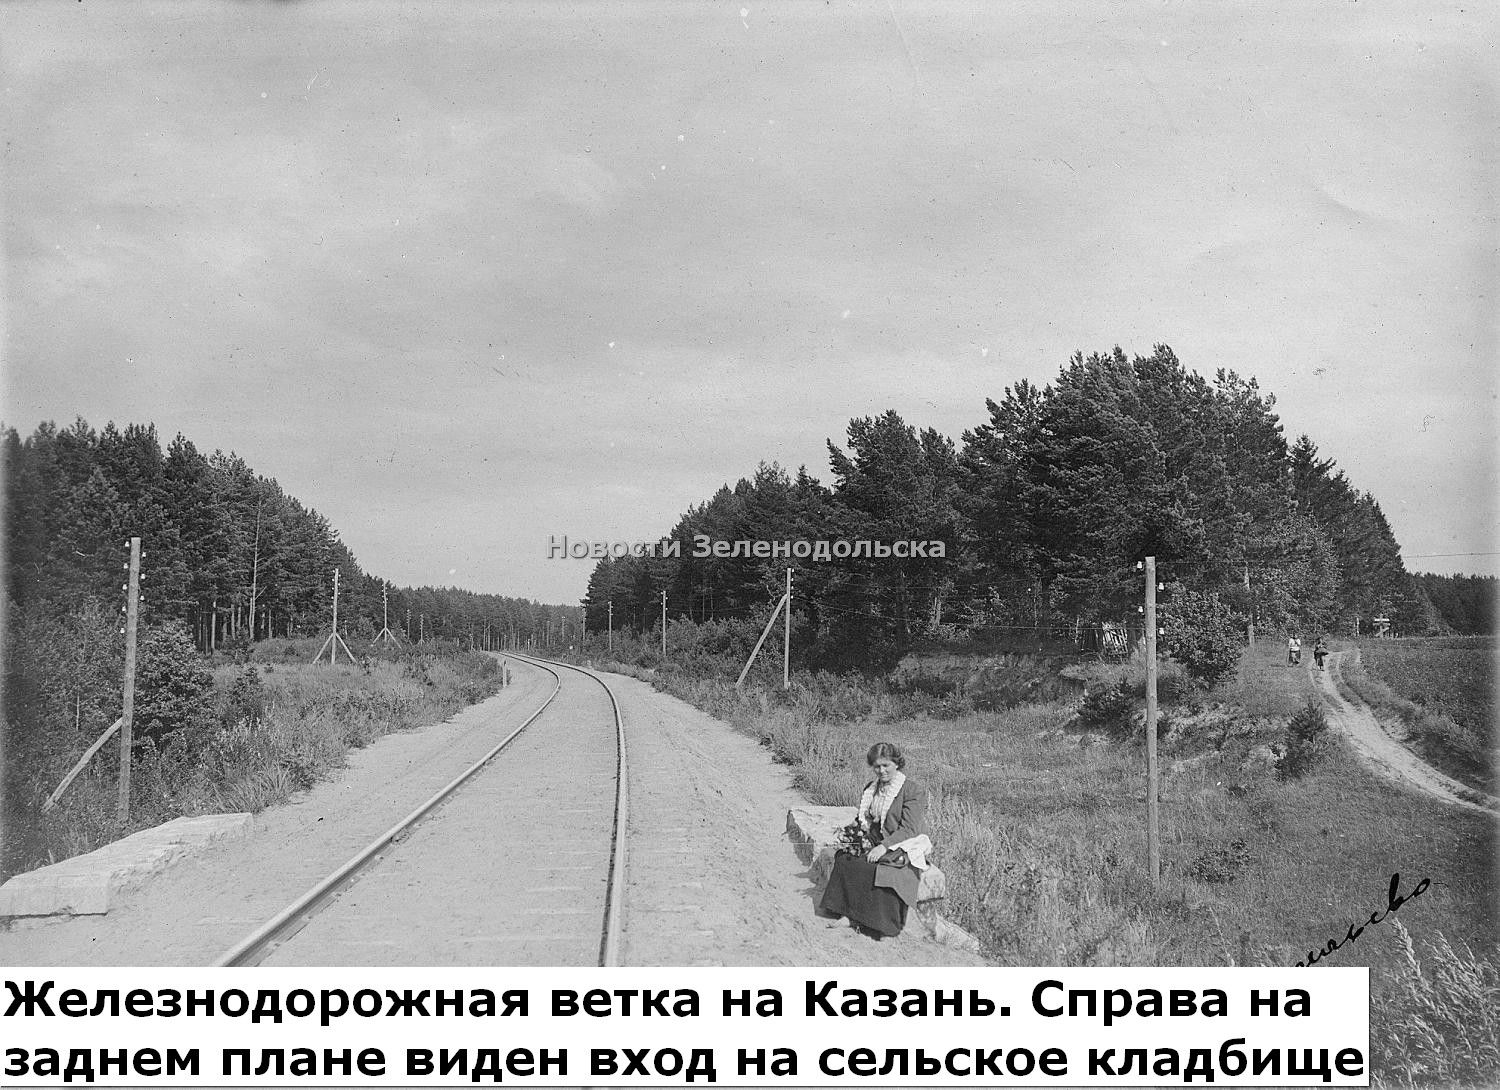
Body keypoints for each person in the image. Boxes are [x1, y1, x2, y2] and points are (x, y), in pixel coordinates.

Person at [818, 742, 932, 939]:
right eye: (877, 766)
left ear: (897, 763)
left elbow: (909, 829)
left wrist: (883, 846)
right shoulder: (872, 789)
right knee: (845, 859)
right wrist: (853, 836)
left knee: (876, 870)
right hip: (876, 839)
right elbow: (866, 819)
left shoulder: (912, 790)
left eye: (886, 765)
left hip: (904, 843)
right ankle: (847, 913)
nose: (881, 771)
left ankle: (872, 922)